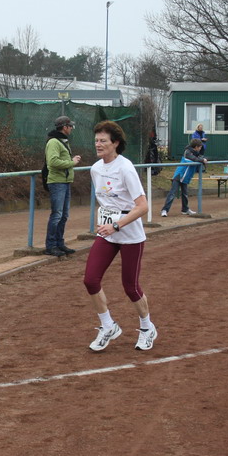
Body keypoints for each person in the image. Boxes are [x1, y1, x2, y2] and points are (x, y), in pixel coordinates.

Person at [84, 120, 158, 352]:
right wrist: (105, 220)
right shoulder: (95, 169)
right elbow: (105, 201)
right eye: (96, 140)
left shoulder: (126, 168)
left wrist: (116, 225)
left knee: (130, 286)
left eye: (103, 141)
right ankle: (108, 326)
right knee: (90, 279)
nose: (98, 144)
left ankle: (147, 328)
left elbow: (143, 206)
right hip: (108, 233)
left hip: (129, 234)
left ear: (115, 143)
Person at [44, 115, 82, 257]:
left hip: (64, 182)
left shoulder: (62, 141)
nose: (71, 128)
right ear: (65, 127)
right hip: (57, 182)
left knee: (64, 215)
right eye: (70, 126)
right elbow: (53, 162)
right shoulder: (54, 142)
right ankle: (51, 246)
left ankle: (59, 243)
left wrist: (70, 161)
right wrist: (72, 162)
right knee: (57, 215)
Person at [160, 138, 207, 217]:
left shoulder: (195, 153)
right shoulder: (187, 152)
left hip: (186, 177)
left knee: (185, 194)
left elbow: (200, 155)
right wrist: (202, 160)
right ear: (196, 147)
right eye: (199, 147)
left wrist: (203, 143)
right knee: (172, 193)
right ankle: (164, 210)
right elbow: (194, 159)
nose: (200, 149)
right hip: (179, 175)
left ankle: (185, 209)